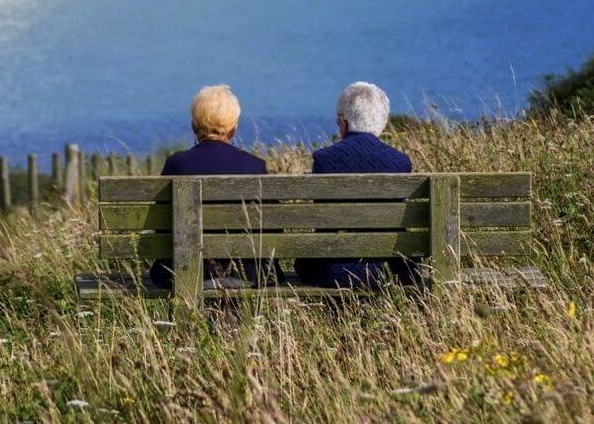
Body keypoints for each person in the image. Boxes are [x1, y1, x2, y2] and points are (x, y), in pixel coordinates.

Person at [148, 84, 271, 289]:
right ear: (234, 128)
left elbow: (160, 227)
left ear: (194, 126)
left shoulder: (177, 164)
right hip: (247, 273)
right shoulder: (255, 166)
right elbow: (270, 227)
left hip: (184, 271)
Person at [295, 81, 416, 288]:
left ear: (344, 122)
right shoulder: (400, 162)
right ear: (382, 122)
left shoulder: (324, 160)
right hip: (378, 270)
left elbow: (322, 223)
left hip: (330, 270)